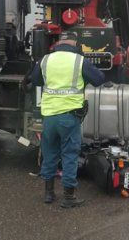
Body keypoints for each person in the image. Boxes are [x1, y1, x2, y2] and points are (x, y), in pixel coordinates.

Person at [31, 31, 105, 208]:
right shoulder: (79, 61)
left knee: (49, 153)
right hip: (69, 117)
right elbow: (99, 79)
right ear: (74, 43)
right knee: (69, 155)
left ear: (58, 44)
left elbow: (35, 81)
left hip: (49, 116)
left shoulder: (45, 60)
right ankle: (68, 197)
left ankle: (49, 194)